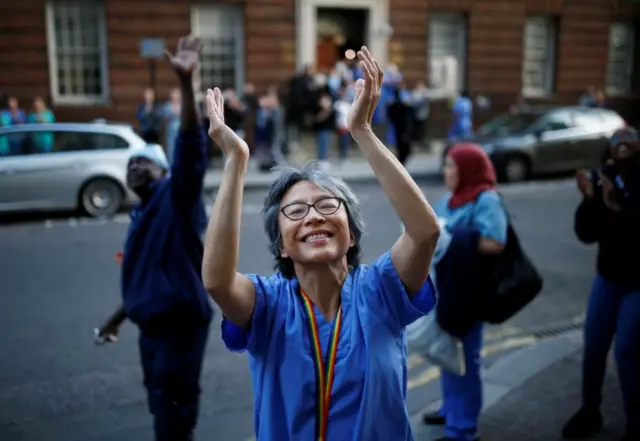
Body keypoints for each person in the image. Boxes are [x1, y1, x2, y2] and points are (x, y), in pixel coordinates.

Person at [202, 47, 440, 441]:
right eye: (295, 212)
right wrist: (237, 159)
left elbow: (424, 232)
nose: (313, 216)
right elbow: (217, 281)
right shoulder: (269, 306)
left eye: (328, 205)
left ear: (351, 230)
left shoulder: (380, 291)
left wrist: (362, 131)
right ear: (281, 246)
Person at [95, 36, 212, 441]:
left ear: (164, 172)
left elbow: (191, 152)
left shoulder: (175, 198)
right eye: (129, 165)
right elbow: (145, 274)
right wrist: (116, 319)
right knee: (160, 404)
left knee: (174, 412)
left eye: (144, 161)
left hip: (180, 324)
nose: (134, 168)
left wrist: (186, 84)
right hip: (152, 327)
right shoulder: (142, 212)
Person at [422, 143, 508, 441]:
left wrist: (458, 238)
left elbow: (495, 242)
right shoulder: (451, 199)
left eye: (450, 166)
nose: (445, 171)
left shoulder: (487, 199)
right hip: (448, 285)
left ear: (467, 169)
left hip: (471, 291)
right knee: (447, 351)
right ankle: (451, 409)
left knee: (465, 359)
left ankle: (463, 429)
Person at [563, 127, 640, 441]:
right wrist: (590, 201)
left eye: (629, 138)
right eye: (615, 139)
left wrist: (615, 206)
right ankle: (590, 411)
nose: (621, 142)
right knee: (593, 347)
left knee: (626, 351)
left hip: (637, 284)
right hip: (608, 279)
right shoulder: (603, 176)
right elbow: (586, 234)